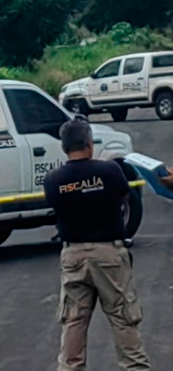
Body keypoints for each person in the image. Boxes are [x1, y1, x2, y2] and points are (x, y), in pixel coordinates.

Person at [44, 119, 151, 371]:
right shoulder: (110, 171)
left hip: (73, 254)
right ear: (89, 144)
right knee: (123, 318)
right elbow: (125, 198)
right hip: (109, 253)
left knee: (73, 321)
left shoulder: (53, 180)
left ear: (64, 147)